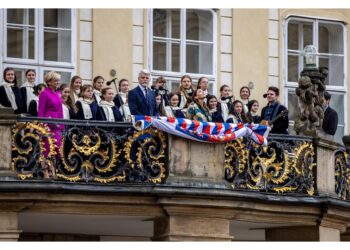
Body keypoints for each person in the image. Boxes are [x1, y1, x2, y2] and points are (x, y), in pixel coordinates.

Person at [38, 71, 64, 178]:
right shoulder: (44, 93)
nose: (57, 83)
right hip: (48, 125)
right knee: (47, 149)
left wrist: (62, 124)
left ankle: (53, 171)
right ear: (49, 82)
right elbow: (41, 111)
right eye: (55, 81)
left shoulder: (58, 93)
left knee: (56, 149)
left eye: (58, 80)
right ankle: (46, 173)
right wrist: (41, 126)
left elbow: (61, 110)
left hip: (57, 125)